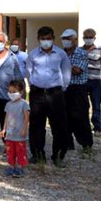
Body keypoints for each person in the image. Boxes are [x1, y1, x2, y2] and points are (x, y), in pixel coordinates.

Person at [26, 26, 71, 167]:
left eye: (49, 39)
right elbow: (28, 72)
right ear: (38, 39)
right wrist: (33, 84)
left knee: (59, 126)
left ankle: (58, 156)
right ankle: (38, 155)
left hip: (55, 94)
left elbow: (66, 72)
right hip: (37, 94)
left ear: (53, 38)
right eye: (43, 39)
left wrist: (61, 88)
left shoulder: (61, 54)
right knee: (36, 126)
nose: (46, 41)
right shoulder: (33, 54)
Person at [61, 29, 93, 157]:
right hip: (64, 88)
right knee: (64, 116)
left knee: (80, 117)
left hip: (78, 89)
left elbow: (77, 70)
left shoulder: (81, 53)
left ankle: (86, 144)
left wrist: (63, 66)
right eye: (64, 38)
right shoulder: (61, 53)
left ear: (75, 39)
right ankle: (68, 143)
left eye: (68, 38)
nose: (66, 41)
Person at [0, 80, 30, 178]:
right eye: (10, 92)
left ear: (21, 92)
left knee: (20, 151)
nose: (11, 94)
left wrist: (25, 129)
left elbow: (26, 117)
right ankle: (11, 166)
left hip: (20, 134)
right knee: (10, 151)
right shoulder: (8, 104)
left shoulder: (24, 104)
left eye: (14, 92)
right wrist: (4, 129)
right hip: (10, 134)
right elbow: (6, 118)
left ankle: (20, 168)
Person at [81, 28, 101, 136]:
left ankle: (97, 128)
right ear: (83, 38)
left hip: (96, 82)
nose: (88, 39)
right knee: (83, 105)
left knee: (96, 105)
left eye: (90, 37)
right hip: (82, 81)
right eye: (86, 37)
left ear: (94, 38)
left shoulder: (100, 50)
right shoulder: (79, 50)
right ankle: (84, 127)